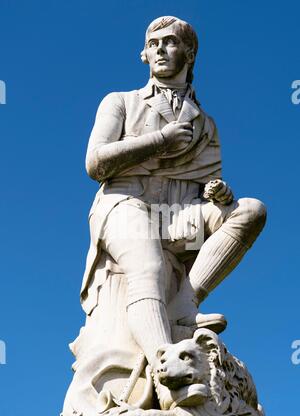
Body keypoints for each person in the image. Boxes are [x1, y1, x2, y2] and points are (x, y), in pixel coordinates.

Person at [80, 16, 266, 373]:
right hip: (125, 202)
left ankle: (185, 304)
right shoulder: (120, 101)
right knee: (148, 267)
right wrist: (160, 142)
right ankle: (164, 363)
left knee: (251, 210)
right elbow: (95, 164)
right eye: (153, 44)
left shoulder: (205, 124)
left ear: (190, 52)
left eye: (170, 42)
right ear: (144, 55)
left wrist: (221, 197)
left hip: (180, 211)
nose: (160, 50)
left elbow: (206, 188)